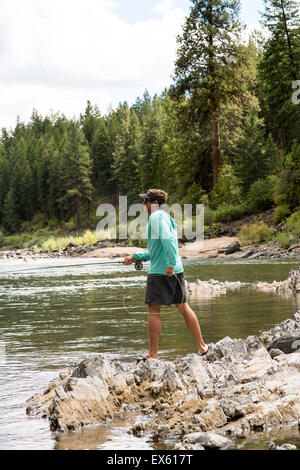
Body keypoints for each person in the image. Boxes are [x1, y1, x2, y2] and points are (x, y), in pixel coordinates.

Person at [123, 188, 208, 362]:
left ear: (154, 203)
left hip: (162, 271)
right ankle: (203, 346)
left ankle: (153, 353)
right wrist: (135, 257)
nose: (143, 204)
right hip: (175, 269)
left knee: (153, 311)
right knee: (183, 307)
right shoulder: (165, 218)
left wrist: (169, 264)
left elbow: (168, 241)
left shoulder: (155, 217)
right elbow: (157, 250)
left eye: (146, 201)